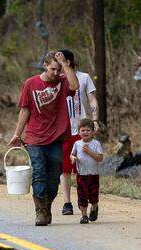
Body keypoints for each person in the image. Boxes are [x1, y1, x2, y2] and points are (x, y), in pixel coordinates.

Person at [9, 51, 79, 226]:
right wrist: (17, 135)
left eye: (58, 70)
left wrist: (65, 65)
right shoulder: (30, 84)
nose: (56, 73)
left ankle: (47, 205)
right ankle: (40, 211)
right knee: (39, 173)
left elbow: (75, 85)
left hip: (57, 137)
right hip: (35, 138)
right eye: (53, 69)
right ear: (45, 65)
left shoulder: (63, 82)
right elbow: (24, 110)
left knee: (54, 176)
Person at [56, 49, 98, 217]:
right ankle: (67, 202)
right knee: (65, 167)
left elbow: (92, 99)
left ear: (70, 62)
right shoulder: (57, 79)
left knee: (84, 166)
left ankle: (88, 200)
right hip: (64, 129)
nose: (60, 66)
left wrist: (95, 120)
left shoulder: (84, 77)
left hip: (82, 128)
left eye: (62, 62)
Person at [69, 118, 104, 224]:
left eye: (88, 130)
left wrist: (89, 152)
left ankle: (94, 208)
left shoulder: (96, 144)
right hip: (81, 175)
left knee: (94, 196)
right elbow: (72, 154)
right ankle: (84, 216)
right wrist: (73, 159)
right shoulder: (77, 144)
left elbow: (100, 158)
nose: (85, 132)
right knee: (82, 196)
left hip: (93, 175)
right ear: (79, 132)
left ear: (93, 132)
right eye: (83, 130)